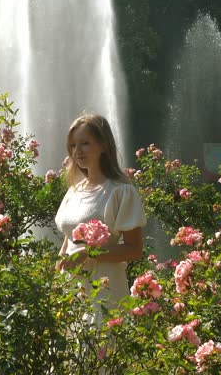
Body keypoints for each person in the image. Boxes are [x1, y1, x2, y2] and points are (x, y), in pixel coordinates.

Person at [54, 113, 146, 312]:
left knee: (103, 342)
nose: (77, 151)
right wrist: (55, 282)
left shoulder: (120, 191)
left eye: (85, 143)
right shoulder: (74, 191)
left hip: (104, 293)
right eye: (73, 145)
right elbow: (68, 239)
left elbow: (134, 249)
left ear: (103, 145)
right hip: (71, 294)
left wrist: (90, 255)